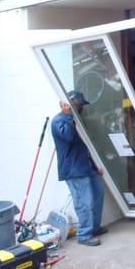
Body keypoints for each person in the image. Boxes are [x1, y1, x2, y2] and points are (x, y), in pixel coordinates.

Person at [51, 90, 107, 246]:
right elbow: (68, 137)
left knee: (98, 194)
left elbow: (84, 146)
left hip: (86, 166)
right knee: (84, 202)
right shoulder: (59, 121)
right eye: (78, 105)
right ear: (66, 105)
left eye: (81, 105)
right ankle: (84, 235)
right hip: (73, 170)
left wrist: (96, 166)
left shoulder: (76, 120)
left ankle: (94, 227)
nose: (81, 108)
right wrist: (69, 115)